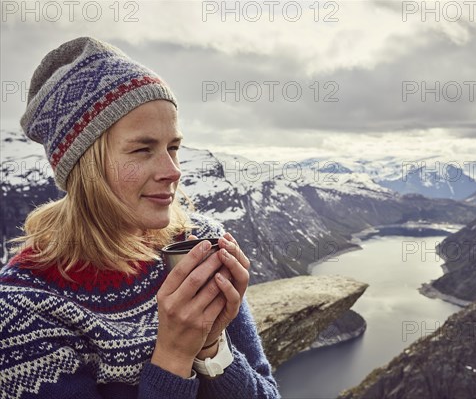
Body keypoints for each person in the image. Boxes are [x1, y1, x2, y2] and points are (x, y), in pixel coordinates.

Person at [0, 37, 281, 399]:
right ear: (85, 165)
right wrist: (174, 356)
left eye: (173, 147)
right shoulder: (23, 307)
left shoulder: (198, 246)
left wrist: (212, 349)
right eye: (142, 149)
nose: (173, 171)